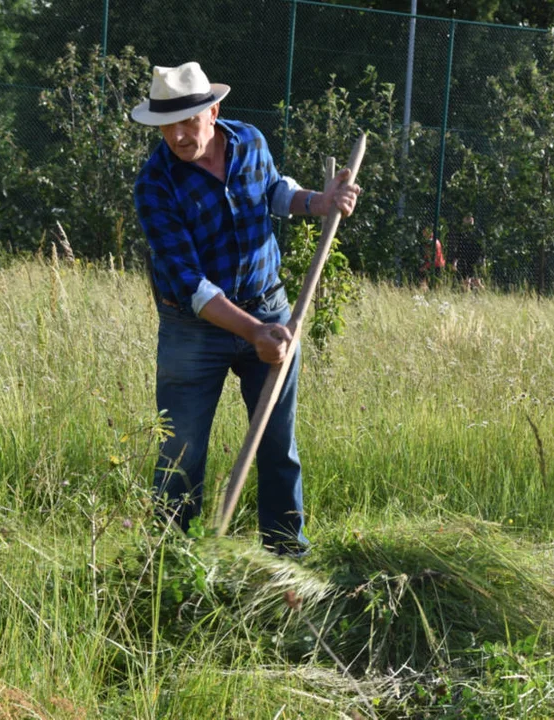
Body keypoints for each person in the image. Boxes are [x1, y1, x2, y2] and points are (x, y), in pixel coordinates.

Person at [131, 62, 360, 556]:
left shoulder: (249, 141)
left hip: (269, 309)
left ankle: (286, 560)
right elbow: (191, 285)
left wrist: (319, 202)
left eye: (187, 122)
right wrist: (255, 332)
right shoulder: (155, 185)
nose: (177, 136)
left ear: (213, 112)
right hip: (193, 330)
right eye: (166, 125)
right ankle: (173, 564)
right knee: (180, 452)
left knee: (278, 446)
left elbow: (275, 191)